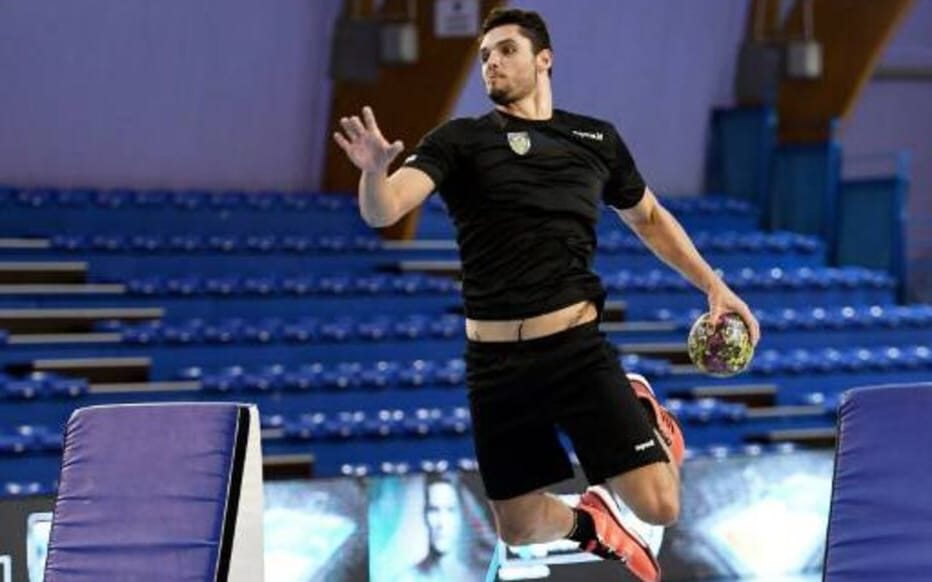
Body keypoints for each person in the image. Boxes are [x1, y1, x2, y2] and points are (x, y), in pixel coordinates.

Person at [333, 7, 761, 581]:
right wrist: (372, 173)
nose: (492, 63)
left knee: (662, 506)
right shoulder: (460, 141)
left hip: (574, 351)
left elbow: (651, 218)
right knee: (517, 526)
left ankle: (645, 416)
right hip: (494, 363)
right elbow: (385, 209)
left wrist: (715, 285)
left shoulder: (595, 139)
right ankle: (594, 527)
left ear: (544, 58)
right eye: (485, 55)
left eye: (506, 50)